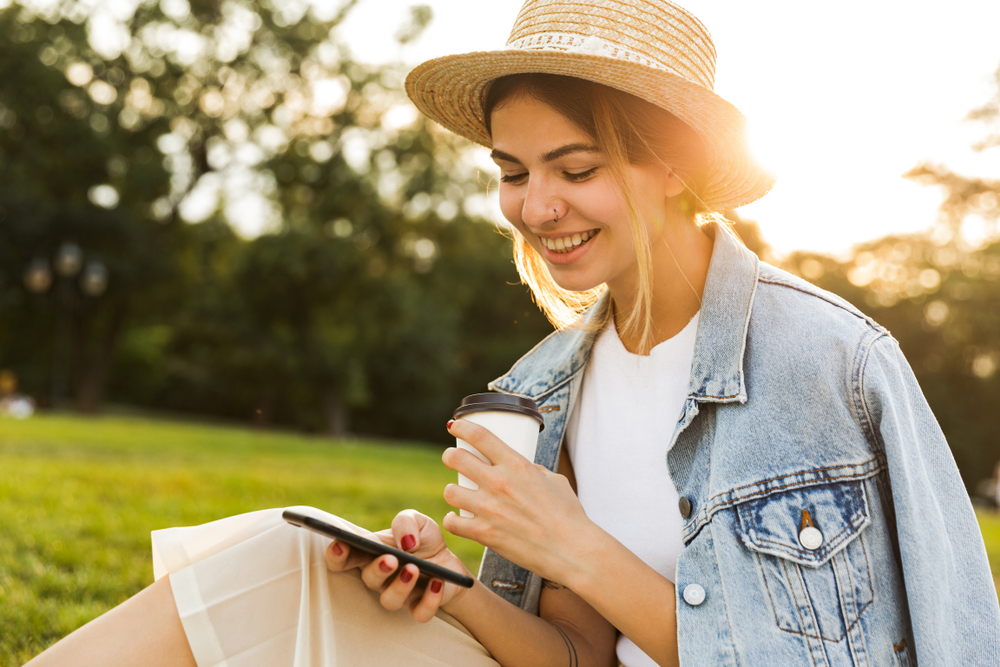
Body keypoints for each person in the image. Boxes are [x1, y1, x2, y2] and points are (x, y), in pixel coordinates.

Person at [25, 1, 1000, 666]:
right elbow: (575, 656)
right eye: (511, 171)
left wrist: (575, 545)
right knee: (288, 556)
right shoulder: (546, 385)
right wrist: (449, 586)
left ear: (670, 165)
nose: (535, 206)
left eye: (575, 168)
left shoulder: (827, 360)